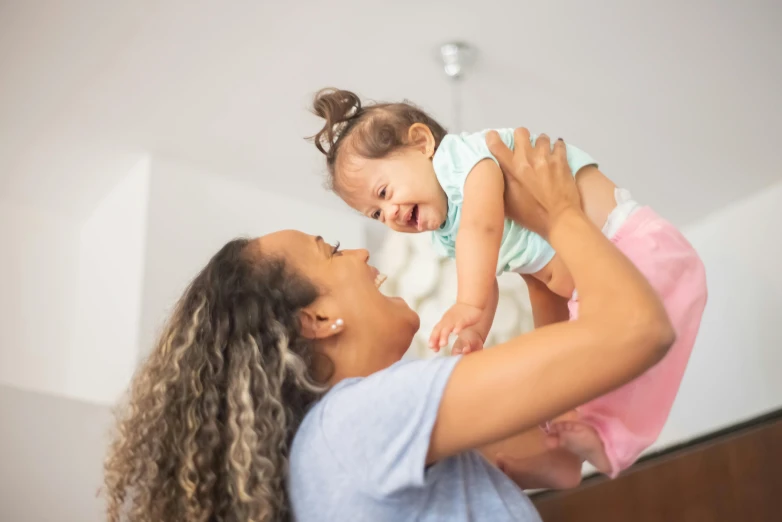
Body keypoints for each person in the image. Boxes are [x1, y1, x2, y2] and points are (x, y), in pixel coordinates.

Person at [103, 131, 675, 522]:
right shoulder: (359, 421)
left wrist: (532, 265)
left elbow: (559, 458)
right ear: (319, 319)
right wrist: (560, 214)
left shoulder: (340, 450)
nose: (358, 250)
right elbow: (639, 328)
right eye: (330, 251)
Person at [309, 89, 707, 482]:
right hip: (592, 284)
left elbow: (483, 229)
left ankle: (605, 440)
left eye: (384, 193)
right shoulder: (447, 230)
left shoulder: (465, 161)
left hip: (632, 244)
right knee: (595, 368)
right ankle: (582, 440)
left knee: (643, 345)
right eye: (376, 214)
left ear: (421, 143)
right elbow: (493, 273)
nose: (390, 214)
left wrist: (467, 301)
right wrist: (475, 327)